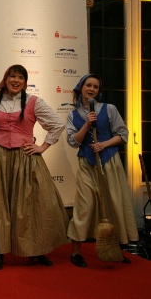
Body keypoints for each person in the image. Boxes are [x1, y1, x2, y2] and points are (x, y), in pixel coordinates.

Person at [0, 64, 69, 270]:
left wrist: (42, 147)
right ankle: (0, 251)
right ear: (5, 79)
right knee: (0, 205)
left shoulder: (34, 102)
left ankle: (37, 249)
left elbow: (57, 124)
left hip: (25, 159)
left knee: (32, 205)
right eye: (12, 76)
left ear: (25, 82)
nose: (16, 80)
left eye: (20, 77)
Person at [66, 73, 139, 267]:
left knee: (113, 203)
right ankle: (75, 252)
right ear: (81, 88)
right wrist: (88, 123)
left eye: (95, 87)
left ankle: (114, 249)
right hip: (87, 164)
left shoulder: (109, 109)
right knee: (84, 206)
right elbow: (73, 141)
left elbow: (122, 134)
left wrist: (104, 144)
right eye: (88, 85)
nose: (91, 89)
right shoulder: (73, 115)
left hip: (109, 162)